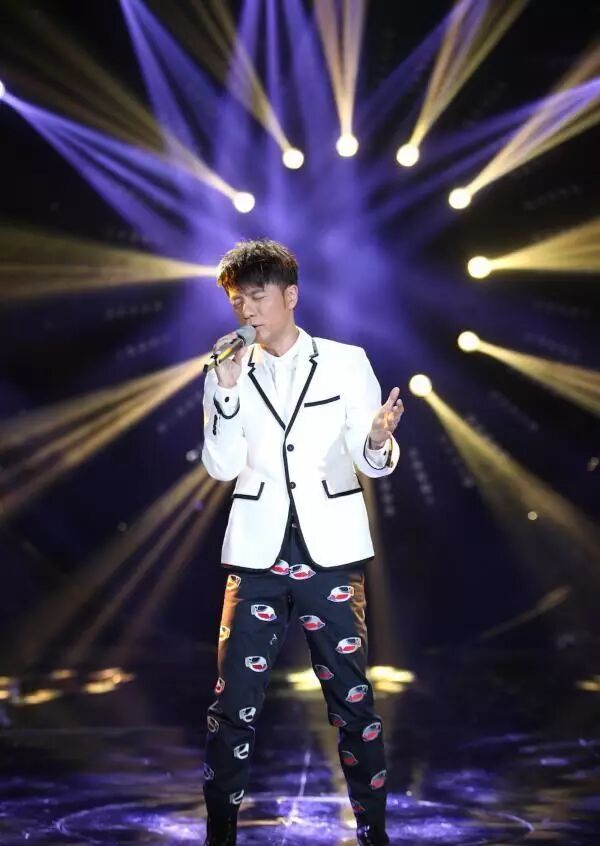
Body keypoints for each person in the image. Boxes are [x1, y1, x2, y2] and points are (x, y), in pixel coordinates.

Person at [201, 239, 403, 845]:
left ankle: (373, 833)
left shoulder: (345, 362)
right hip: (256, 553)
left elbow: (374, 459)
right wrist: (227, 391)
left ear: (290, 295)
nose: (247, 311)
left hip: (330, 551)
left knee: (352, 701)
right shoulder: (225, 369)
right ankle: (220, 834)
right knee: (233, 704)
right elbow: (220, 465)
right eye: (237, 300)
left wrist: (377, 438)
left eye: (257, 296)